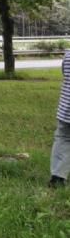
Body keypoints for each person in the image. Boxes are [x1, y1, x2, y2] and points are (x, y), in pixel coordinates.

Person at [49, 51, 70, 188]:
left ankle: (57, 177)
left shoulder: (68, 54)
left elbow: (65, 73)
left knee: (62, 139)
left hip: (66, 108)